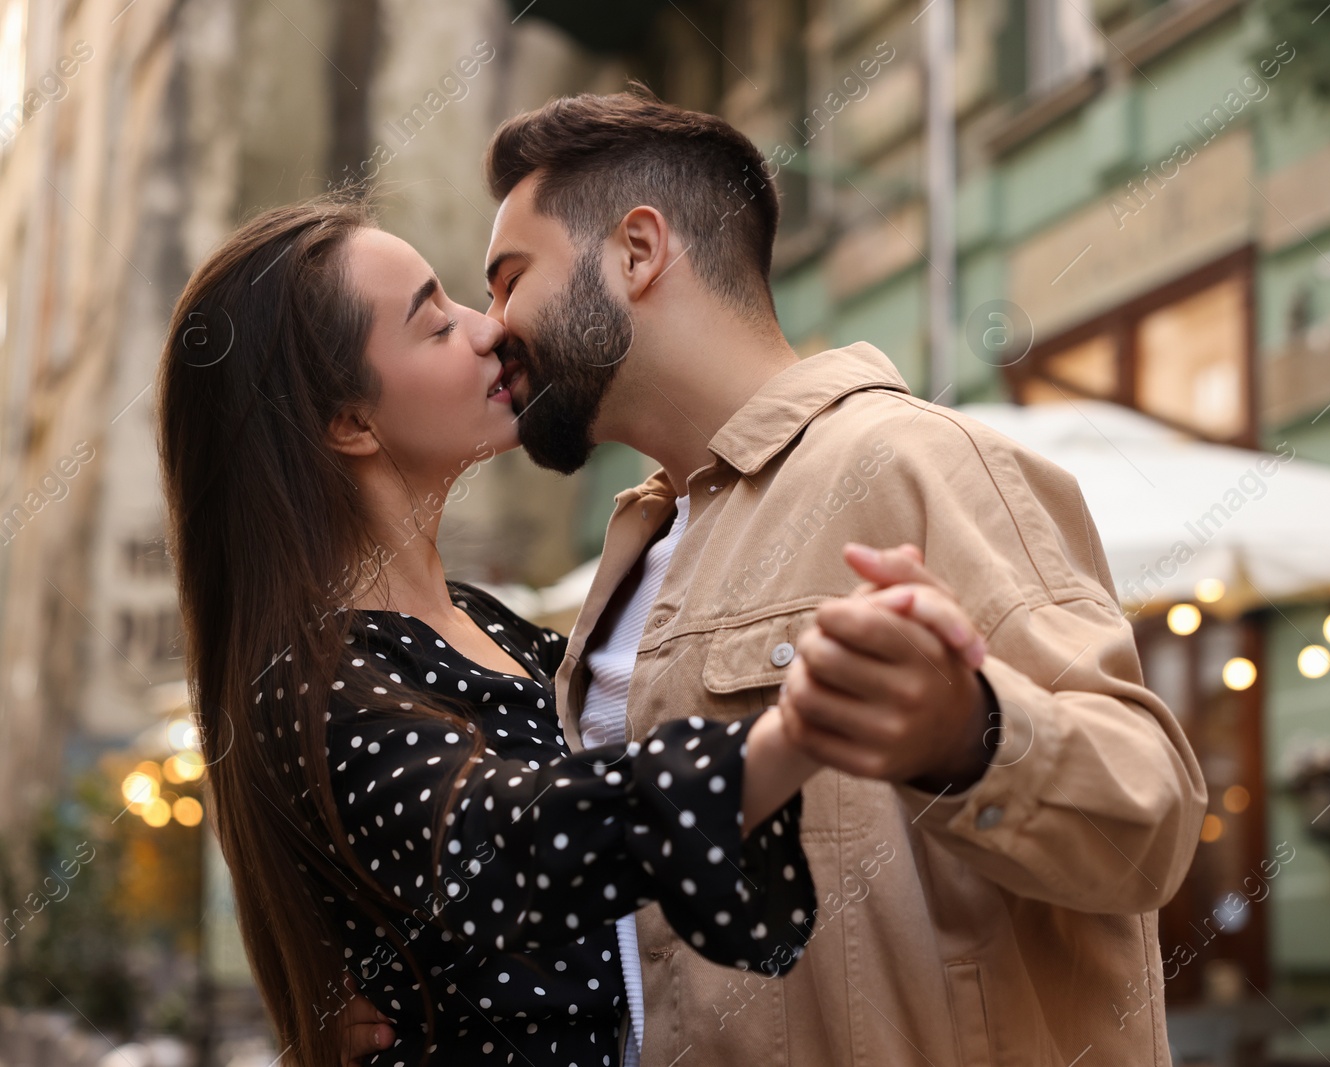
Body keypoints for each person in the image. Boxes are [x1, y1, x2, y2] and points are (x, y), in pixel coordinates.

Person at [451, 91, 1205, 1065]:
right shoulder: (639, 540)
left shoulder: (908, 458)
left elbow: (1147, 823)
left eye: (510, 279)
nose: (491, 326)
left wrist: (967, 730)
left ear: (637, 251)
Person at [155, 199, 983, 1067]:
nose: (489, 332)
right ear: (350, 424)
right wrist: (799, 730)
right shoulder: (311, 679)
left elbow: (708, 902)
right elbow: (513, 843)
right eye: (436, 326)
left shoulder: (491, 625)